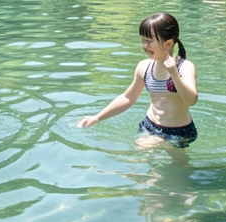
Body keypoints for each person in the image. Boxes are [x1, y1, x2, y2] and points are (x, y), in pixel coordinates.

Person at [78, 13, 198, 148]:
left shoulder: (185, 67)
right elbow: (128, 97)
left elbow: (191, 100)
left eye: (149, 41)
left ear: (168, 43)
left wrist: (174, 75)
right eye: (143, 40)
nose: (144, 46)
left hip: (180, 131)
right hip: (151, 126)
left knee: (178, 165)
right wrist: (97, 117)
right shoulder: (144, 67)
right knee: (142, 151)